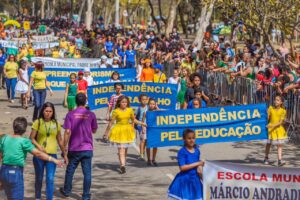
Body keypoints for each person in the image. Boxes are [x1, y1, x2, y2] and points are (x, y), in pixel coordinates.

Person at [0, 117, 63, 200]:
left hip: (4, 170)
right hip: (15, 173)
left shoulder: (4, 139)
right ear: (25, 129)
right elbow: (38, 153)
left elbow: (1, 155)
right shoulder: (24, 141)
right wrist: (53, 159)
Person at [60, 93, 98, 200]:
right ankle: (86, 195)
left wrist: (64, 148)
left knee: (70, 170)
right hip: (87, 148)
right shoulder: (91, 114)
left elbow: (67, 131)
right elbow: (94, 130)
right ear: (85, 101)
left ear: (76, 102)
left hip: (74, 148)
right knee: (87, 173)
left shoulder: (70, 114)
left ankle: (67, 191)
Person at [30, 102, 66, 200]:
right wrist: (38, 146)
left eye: (50, 111)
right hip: (39, 155)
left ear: (53, 112)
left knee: (50, 179)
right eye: (46, 111)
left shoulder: (56, 124)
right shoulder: (38, 122)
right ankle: (38, 197)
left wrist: (65, 154)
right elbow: (31, 138)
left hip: (52, 156)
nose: (48, 113)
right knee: (39, 178)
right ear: (42, 111)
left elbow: (60, 140)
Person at [103, 96, 146, 173]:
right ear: (119, 103)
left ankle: (122, 163)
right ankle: (122, 165)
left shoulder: (130, 110)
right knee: (121, 148)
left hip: (127, 130)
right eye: (123, 102)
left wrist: (142, 123)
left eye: (125, 102)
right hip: (118, 130)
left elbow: (134, 120)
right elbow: (111, 123)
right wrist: (106, 134)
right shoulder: (116, 111)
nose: (124, 104)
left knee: (125, 149)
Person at [168, 129, 204, 200]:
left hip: (195, 181)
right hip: (185, 181)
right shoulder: (182, 152)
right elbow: (182, 168)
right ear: (184, 139)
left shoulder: (197, 151)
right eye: (189, 138)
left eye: (193, 138)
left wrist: (202, 177)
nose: (191, 140)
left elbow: (197, 168)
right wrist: (198, 163)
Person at [264, 95, 287, 166]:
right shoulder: (271, 108)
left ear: (281, 102)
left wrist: (272, 125)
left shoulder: (283, 111)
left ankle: (279, 160)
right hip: (271, 130)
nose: (275, 101)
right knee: (268, 144)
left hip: (278, 129)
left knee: (279, 145)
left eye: (277, 100)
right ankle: (266, 158)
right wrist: (267, 113)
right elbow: (267, 118)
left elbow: (280, 122)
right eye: (275, 99)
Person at [142, 98, 159, 166]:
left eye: (153, 104)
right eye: (150, 104)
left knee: (155, 145)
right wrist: (143, 128)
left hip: (155, 130)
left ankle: (153, 159)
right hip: (148, 130)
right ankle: (149, 159)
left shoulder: (156, 112)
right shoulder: (146, 112)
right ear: (148, 105)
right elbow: (143, 122)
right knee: (148, 145)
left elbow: (163, 114)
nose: (152, 105)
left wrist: (157, 107)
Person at [135, 94, 148, 159]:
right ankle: (141, 154)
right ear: (140, 100)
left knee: (145, 140)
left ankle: (143, 151)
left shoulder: (149, 107)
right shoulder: (139, 108)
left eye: (146, 99)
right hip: (140, 126)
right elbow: (134, 117)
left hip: (147, 126)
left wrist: (156, 107)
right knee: (142, 140)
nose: (144, 101)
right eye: (143, 99)